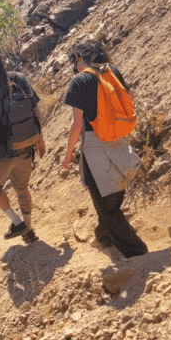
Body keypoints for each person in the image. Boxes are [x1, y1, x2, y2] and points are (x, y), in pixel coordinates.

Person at [62, 39, 148, 257]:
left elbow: (77, 124)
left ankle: (137, 252)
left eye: (75, 61)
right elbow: (130, 98)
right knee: (112, 196)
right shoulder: (113, 72)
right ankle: (103, 237)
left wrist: (68, 154)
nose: (75, 67)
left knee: (107, 208)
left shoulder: (80, 81)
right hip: (118, 142)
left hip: (94, 148)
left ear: (80, 58)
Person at [0, 43, 45, 243]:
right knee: (22, 188)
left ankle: (16, 222)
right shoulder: (18, 78)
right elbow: (35, 110)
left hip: (0, 152)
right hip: (26, 146)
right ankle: (29, 230)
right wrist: (40, 139)